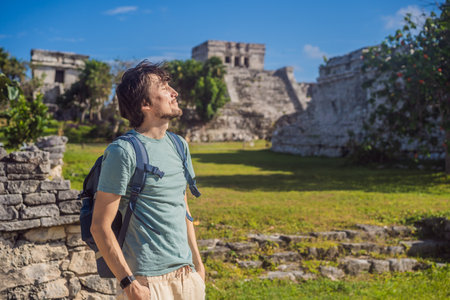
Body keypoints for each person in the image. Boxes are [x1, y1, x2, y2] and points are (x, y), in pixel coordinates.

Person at [90, 60, 205, 300]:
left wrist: (198, 264)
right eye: (164, 88)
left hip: (187, 276)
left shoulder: (179, 145)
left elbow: (182, 207)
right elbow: (100, 225)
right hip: (148, 281)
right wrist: (129, 284)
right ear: (145, 104)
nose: (175, 93)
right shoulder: (123, 151)